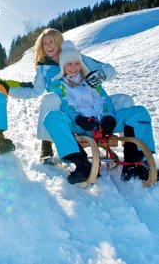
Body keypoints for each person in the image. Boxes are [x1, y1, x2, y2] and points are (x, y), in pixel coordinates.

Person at [10, 28, 134, 164]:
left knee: (125, 100)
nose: (48, 46)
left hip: (92, 105)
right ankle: (46, 144)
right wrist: (8, 90)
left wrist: (101, 74)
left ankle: (130, 146)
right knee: (50, 98)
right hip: (67, 109)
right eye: (45, 43)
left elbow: (109, 70)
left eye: (51, 42)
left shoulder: (77, 57)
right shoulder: (44, 68)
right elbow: (35, 91)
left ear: (59, 42)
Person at [43, 41, 156, 185]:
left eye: (76, 63)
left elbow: (103, 101)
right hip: (80, 124)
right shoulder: (59, 84)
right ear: (62, 66)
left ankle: (134, 164)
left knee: (139, 112)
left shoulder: (91, 80)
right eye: (69, 64)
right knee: (52, 117)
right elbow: (67, 105)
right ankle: (82, 165)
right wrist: (80, 119)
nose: (73, 68)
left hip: (102, 123)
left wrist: (108, 117)